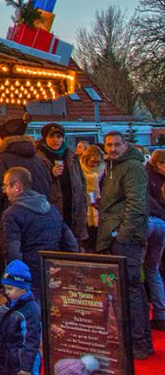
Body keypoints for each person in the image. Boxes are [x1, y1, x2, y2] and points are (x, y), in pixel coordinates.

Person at [96, 131, 152, 359]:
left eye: (117, 144)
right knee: (124, 292)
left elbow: (136, 203)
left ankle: (139, 342)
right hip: (113, 234)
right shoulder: (113, 167)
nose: (112, 148)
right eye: (109, 145)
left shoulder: (131, 167)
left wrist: (122, 234)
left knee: (131, 290)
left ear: (125, 145)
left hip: (124, 238)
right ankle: (135, 341)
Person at [0, 166, 78, 303]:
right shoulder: (52, 210)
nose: (4, 191)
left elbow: (12, 252)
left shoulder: (12, 214)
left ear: (17, 187)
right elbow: (70, 243)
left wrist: (15, 282)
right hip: (53, 273)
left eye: (6, 186)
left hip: (30, 276)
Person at [0, 117, 54, 226]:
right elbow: (49, 188)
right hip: (39, 219)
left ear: (5, 139)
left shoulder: (1, 160)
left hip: (12, 219)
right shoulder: (38, 160)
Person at [36, 123, 87, 244]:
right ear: (45, 138)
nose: (56, 140)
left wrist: (83, 201)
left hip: (72, 209)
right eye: (52, 137)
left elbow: (81, 181)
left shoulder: (71, 157)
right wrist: (50, 174)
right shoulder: (39, 158)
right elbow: (36, 184)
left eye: (59, 137)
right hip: (51, 209)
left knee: (72, 244)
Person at [0, 261, 42, 375]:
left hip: (21, 361)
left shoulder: (30, 310)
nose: (7, 292)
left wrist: (26, 368)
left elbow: (31, 342)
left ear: (24, 289)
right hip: (7, 358)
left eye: (10, 288)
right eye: (5, 288)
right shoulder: (6, 306)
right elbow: (1, 334)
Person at [147, 149, 165, 330]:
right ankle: (159, 313)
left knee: (152, 270)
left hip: (154, 223)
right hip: (156, 222)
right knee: (154, 269)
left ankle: (160, 313)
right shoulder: (148, 177)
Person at [79, 144, 105, 247]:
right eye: (93, 161)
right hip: (84, 209)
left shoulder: (105, 170)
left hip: (101, 209)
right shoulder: (79, 169)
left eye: (98, 162)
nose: (95, 165)